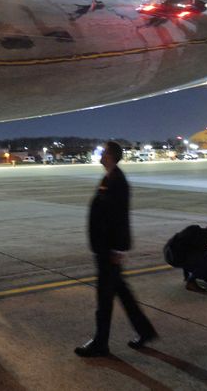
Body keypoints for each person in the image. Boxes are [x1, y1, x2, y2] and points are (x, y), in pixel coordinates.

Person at [75, 141, 157, 357]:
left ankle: (100, 343)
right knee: (122, 292)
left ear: (110, 155)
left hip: (110, 250)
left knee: (104, 299)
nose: (100, 155)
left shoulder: (118, 181)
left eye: (103, 152)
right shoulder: (109, 178)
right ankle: (145, 331)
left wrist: (119, 249)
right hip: (105, 248)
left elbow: (120, 218)